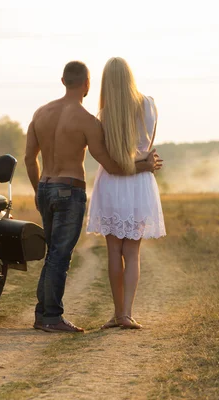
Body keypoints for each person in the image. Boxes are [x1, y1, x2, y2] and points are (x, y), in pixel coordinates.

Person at [25, 61, 162, 333]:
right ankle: (51, 316)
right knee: (60, 256)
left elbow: (30, 158)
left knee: (53, 253)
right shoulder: (88, 120)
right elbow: (113, 164)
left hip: (46, 186)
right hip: (70, 188)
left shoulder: (41, 113)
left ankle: (44, 313)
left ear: (62, 81)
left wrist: (37, 191)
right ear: (87, 84)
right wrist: (144, 165)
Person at [86, 57, 166, 330]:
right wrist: (144, 162)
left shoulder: (103, 115)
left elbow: (110, 158)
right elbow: (148, 147)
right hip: (139, 181)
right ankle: (127, 314)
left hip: (111, 182)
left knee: (113, 250)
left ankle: (117, 313)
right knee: (132, 252)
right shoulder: (149, 105)